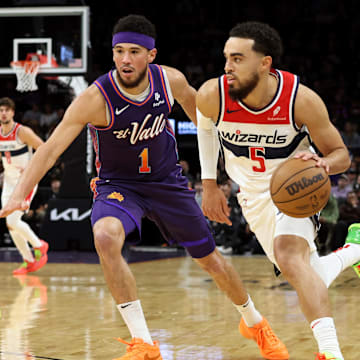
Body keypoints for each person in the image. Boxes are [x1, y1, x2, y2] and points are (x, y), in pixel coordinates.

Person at [0, 15, 288, 360]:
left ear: (151, 55)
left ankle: (254, 322)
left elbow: (209, 123)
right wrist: (20, 193)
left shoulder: (171, 81)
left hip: (167, 183)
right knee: (105, 236)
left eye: (134, 51)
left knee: (211, 260)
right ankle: (143, 343)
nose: (124, 59)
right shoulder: (96, 97)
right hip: (119, 186)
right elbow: (48, 150)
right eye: (118, 51)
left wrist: (226, 173)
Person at [196, 21, 360, 360]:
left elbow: (341, 154)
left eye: (238, 58)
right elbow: (206, 130)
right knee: (304, 273)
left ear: (265, 63)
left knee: (289, 256)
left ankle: (330, 353)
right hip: (251, 195)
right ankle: (354, 249)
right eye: (227, 57)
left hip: (297, 190)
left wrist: (323, 164)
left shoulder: (301, 100)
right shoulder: (213, 94)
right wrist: (209, 184)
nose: (227, 66)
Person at [0, 97, 48, 275]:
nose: (3, 113)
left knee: (12, 221)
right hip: (9, 182)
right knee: (10, 224)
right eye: (1, 110)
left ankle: (39, 245)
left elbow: (43, 149)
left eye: (6, 110)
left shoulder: (22, 131)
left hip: (25, 181)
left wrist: (30, 167)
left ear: (12, 112)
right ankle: (28, 260)